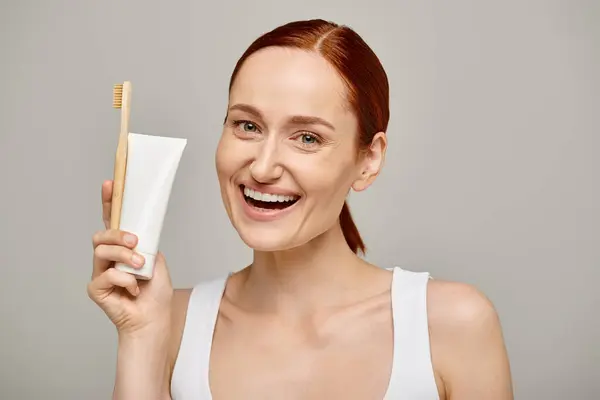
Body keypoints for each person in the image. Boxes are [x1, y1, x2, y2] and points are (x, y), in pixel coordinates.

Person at [88, 19, 513, 400]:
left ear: (368, 160)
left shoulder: (450, 324)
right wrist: (141, 335)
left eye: (307, 137)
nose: (263, 166)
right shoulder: (169, 322)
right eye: (247, 126)